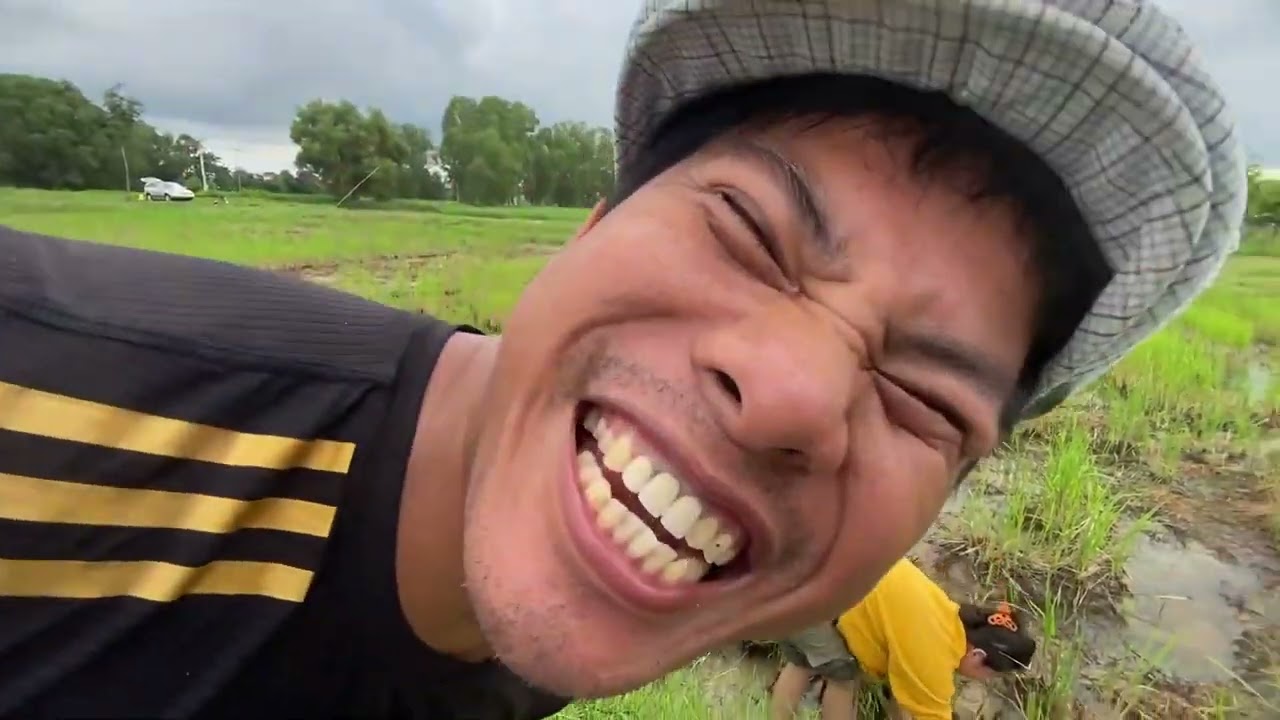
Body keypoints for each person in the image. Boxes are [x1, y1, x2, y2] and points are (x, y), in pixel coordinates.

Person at [0, 1, 1245, 718]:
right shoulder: (53, 392)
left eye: (922, 396)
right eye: (750, 232)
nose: (796, 397)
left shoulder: (576, 599)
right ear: (585, 229)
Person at [768, 559, 1035, 720]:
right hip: (820, 596)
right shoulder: (934, 650)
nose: (984, 681)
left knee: (801, 662)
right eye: (991, 676)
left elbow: (904, 691)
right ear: (978, 656)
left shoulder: (943, 614)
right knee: (843, 676)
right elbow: (931, 712)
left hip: (810, 575)